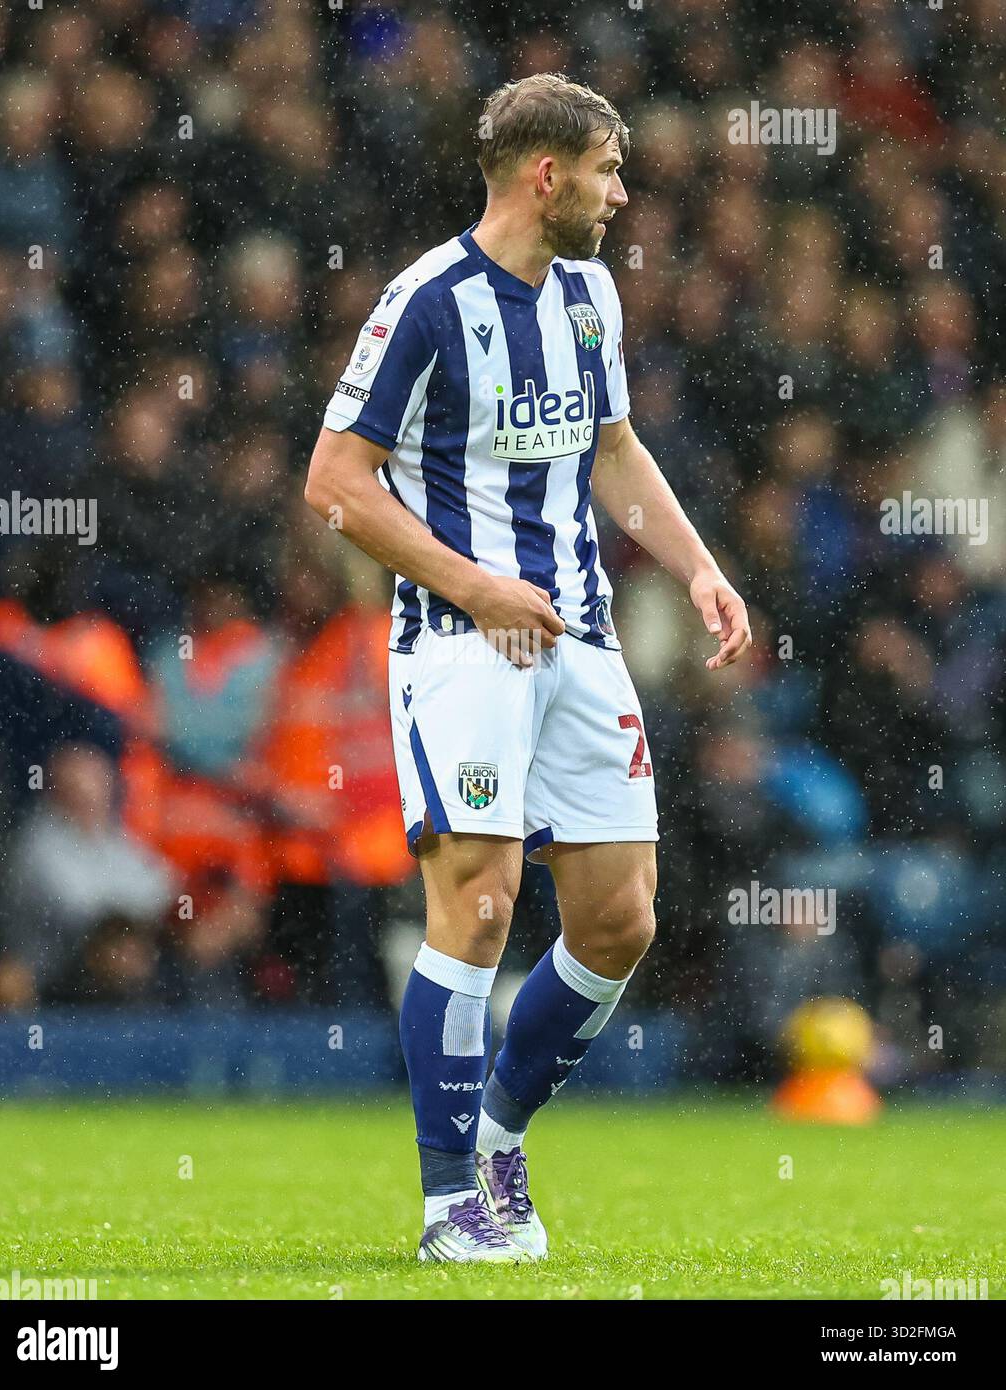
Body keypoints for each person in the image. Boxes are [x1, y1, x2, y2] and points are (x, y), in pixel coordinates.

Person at [304, 74, 752, 1264]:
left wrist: (697, 565)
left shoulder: (593, 294)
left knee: (619, 919)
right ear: (545, 175)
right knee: (484, 904)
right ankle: (450, 1201)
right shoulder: (426, 301)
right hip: (464, 641)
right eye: (607, 169)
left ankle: (499, 1132)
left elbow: (613, 446)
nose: (622, 191)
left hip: (580, 638)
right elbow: (334, 486)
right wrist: (473, 583)